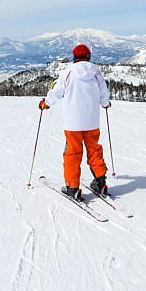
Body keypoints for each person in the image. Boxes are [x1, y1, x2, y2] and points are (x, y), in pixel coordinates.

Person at [39, 44, 111, 201]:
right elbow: (104, 92)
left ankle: (72, 187)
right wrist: (105, 103)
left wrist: (47, 103)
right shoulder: (96, 72)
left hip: (73, 123)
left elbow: (57, 91)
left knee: (73, 153)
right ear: (88, 56)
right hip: (92, 121)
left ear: (74, 57)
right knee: (94, 151)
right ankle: (101, 183)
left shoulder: (68, 72)